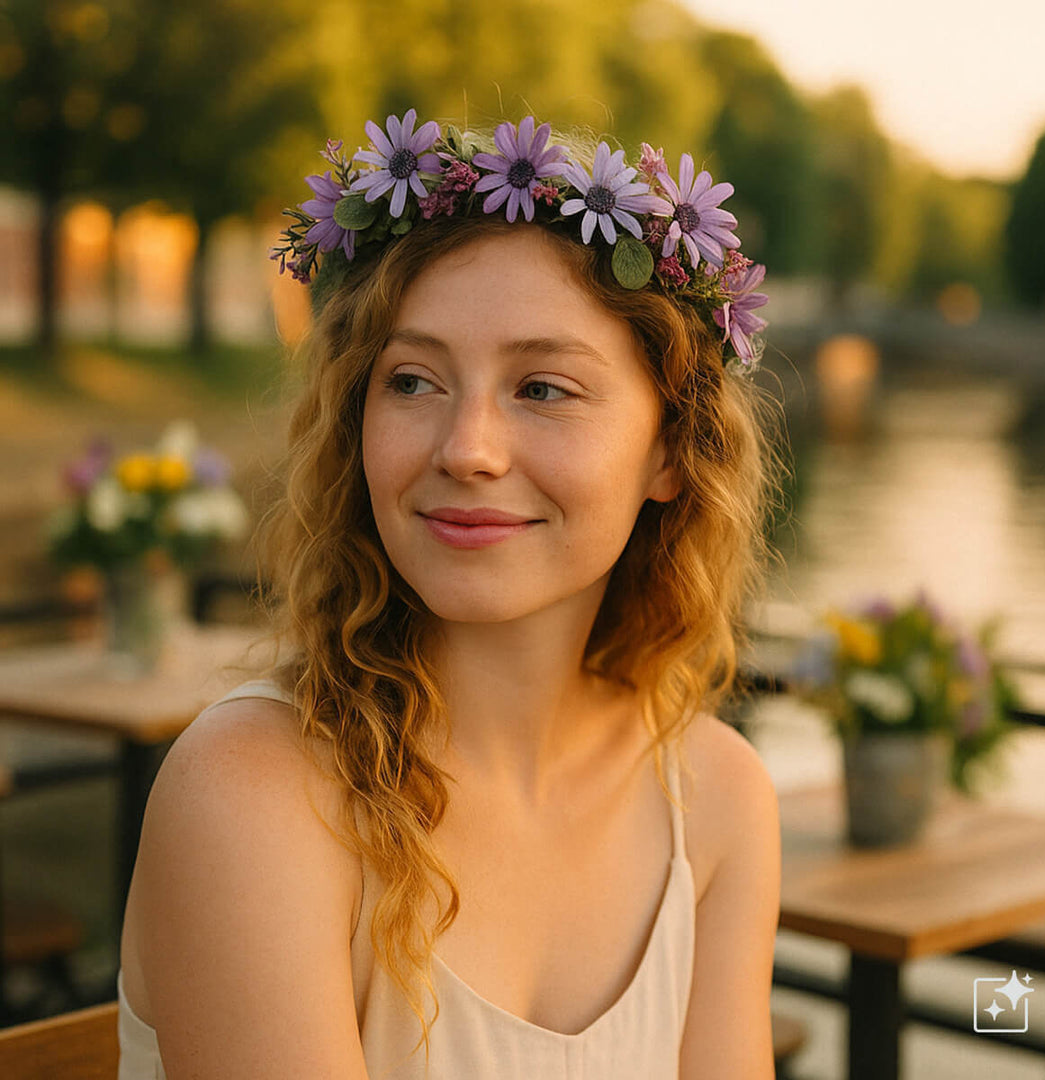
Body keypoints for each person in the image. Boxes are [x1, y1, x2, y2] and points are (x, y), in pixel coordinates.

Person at [116, 112, 784, 1079]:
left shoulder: (717, 800)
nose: (466, 448)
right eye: (415, 381)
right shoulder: (255, 792)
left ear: (672, 450)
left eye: (544, 389)